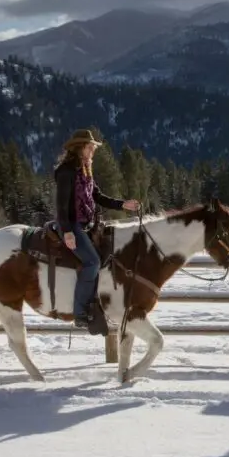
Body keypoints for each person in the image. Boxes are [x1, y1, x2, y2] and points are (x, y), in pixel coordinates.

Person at [54, 128, 140, 330]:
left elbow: (97, 196)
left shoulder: (85, 169)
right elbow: (61, 205)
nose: (93, 149)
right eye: (90, 146)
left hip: (87, 224)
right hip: (71, 224)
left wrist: (122, 205)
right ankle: (80, 312)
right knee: (92, 262)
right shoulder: (66, 171)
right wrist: (67, 232)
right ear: (80, 147)